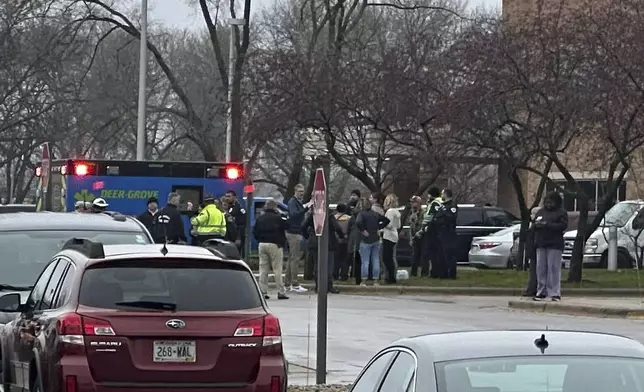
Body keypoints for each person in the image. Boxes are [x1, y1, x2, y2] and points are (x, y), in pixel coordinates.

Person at [533, 191, 568, 302]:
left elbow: (563, 226)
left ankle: (554, 293)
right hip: (541, 243)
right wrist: (536, 225)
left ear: (556, 202)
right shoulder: (540, 212)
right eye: (547, 202)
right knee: (541, 269)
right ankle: (541, 291)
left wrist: (547, 225)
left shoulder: (561, 213)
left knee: (553, 268)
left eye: (551, 202)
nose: (549, 204)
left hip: (555, 244)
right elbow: (534, 224)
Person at [302, 207, 344, 294]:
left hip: (314, 241)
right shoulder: (329, 215)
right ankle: (329, 286)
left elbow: (303, 226)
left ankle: (318, 286)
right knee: (329, 265)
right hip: (329, 242)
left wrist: (308, 236)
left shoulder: (313, 215)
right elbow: (337, 228)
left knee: (317, 265)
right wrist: (341, 236)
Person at [254, 198, 290, 300]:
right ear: (275, 207)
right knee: (277, 269)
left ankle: (263, 291)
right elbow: (287, 225)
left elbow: (255, 232)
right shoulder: (277, 218)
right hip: (275, 244)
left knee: (263, 269)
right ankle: (280, 292)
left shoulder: (260, 218)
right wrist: (282, 215)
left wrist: (260, 239)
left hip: (262, 244)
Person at [355, 201, 390, 286]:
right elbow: (386, 220)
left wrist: (363, 230)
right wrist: (378, 227)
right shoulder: (375, 214)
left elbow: (358, 222)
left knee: (365, 261)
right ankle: (376, 280)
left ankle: (363, 280)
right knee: (375, 260)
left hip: (365, 239)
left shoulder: (361, 214)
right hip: (376, 238)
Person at [286, 184, 312, 293]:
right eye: (299, 191)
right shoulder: (293, 202)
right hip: (294, 232)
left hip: (294, 231)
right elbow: (294, 214)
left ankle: (287, 283)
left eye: (302, 191)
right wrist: (306, 208)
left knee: (291, 259)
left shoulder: (296, 202)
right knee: (295, 259)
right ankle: (295, 284)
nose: (301, 193)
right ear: (295, 191)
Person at [433, 188, 459, 279]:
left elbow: (451, 218)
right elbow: (437, 217)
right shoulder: (442, 206)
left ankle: (452, 274)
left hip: (449, 233)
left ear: (446, 194)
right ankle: (442, 274)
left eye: (442, 193)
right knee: (441, 254)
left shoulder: (452, 206)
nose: (441, 195)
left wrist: (444, 213)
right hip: (441, 233)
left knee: (449, 254)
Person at [418, 187, 443, 278]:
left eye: (428, 194)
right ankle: (435, 272)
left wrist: (424, 225)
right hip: (437, 231)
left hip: (430, 229)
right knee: (435, 253)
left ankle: (425, 272)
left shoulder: (435, 202)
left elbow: (429, 216)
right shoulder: (440, 202)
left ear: (431, 194)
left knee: (426, 252)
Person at [382, 194, 401, 284]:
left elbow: (388, 224)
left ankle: (390, 277)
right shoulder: (397, 212)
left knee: (386, 258)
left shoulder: (390, 211)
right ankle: (393, 276)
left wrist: (381, 223)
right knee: (392, 257)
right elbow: (398, 225)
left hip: (388, 236)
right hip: (395, 234)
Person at [522, 207, 541, 297]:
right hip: (533, 250)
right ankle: (533, 288)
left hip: (535, 250)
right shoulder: (533, 225)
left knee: (534, 271)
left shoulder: (535, 226)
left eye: (533, 214)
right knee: (533, 270)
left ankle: (532, 289)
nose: (531, 216)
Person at [406, 196, 426, 277]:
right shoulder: (411, 213)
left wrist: (420, 232)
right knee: (414, 255)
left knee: (423, 255)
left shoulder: (423, 212)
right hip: (414, 236)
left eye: (414, 202)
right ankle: (413, 273)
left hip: (422, 236)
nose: (412, 204)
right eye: (412, 202)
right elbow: (411, 226)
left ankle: (424, 273)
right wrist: (411, 238)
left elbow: (423, 224)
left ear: (419, 203)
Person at [225, 190, 246, 255]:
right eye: (226, 196)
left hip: (236, 237)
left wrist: (238, 238)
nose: (227, 198)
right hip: (228, 236)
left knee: (236, 255)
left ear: (234, 197)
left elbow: (242, 224)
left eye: (229, 196)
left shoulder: (240, 208)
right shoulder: (228, 207)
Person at [333, 204, 351, 280]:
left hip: (335, 240)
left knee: (335, 259)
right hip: (345, 240)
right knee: (344, 259)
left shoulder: (333, 218)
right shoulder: (349, 218)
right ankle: (344, 275)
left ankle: (335, 274)